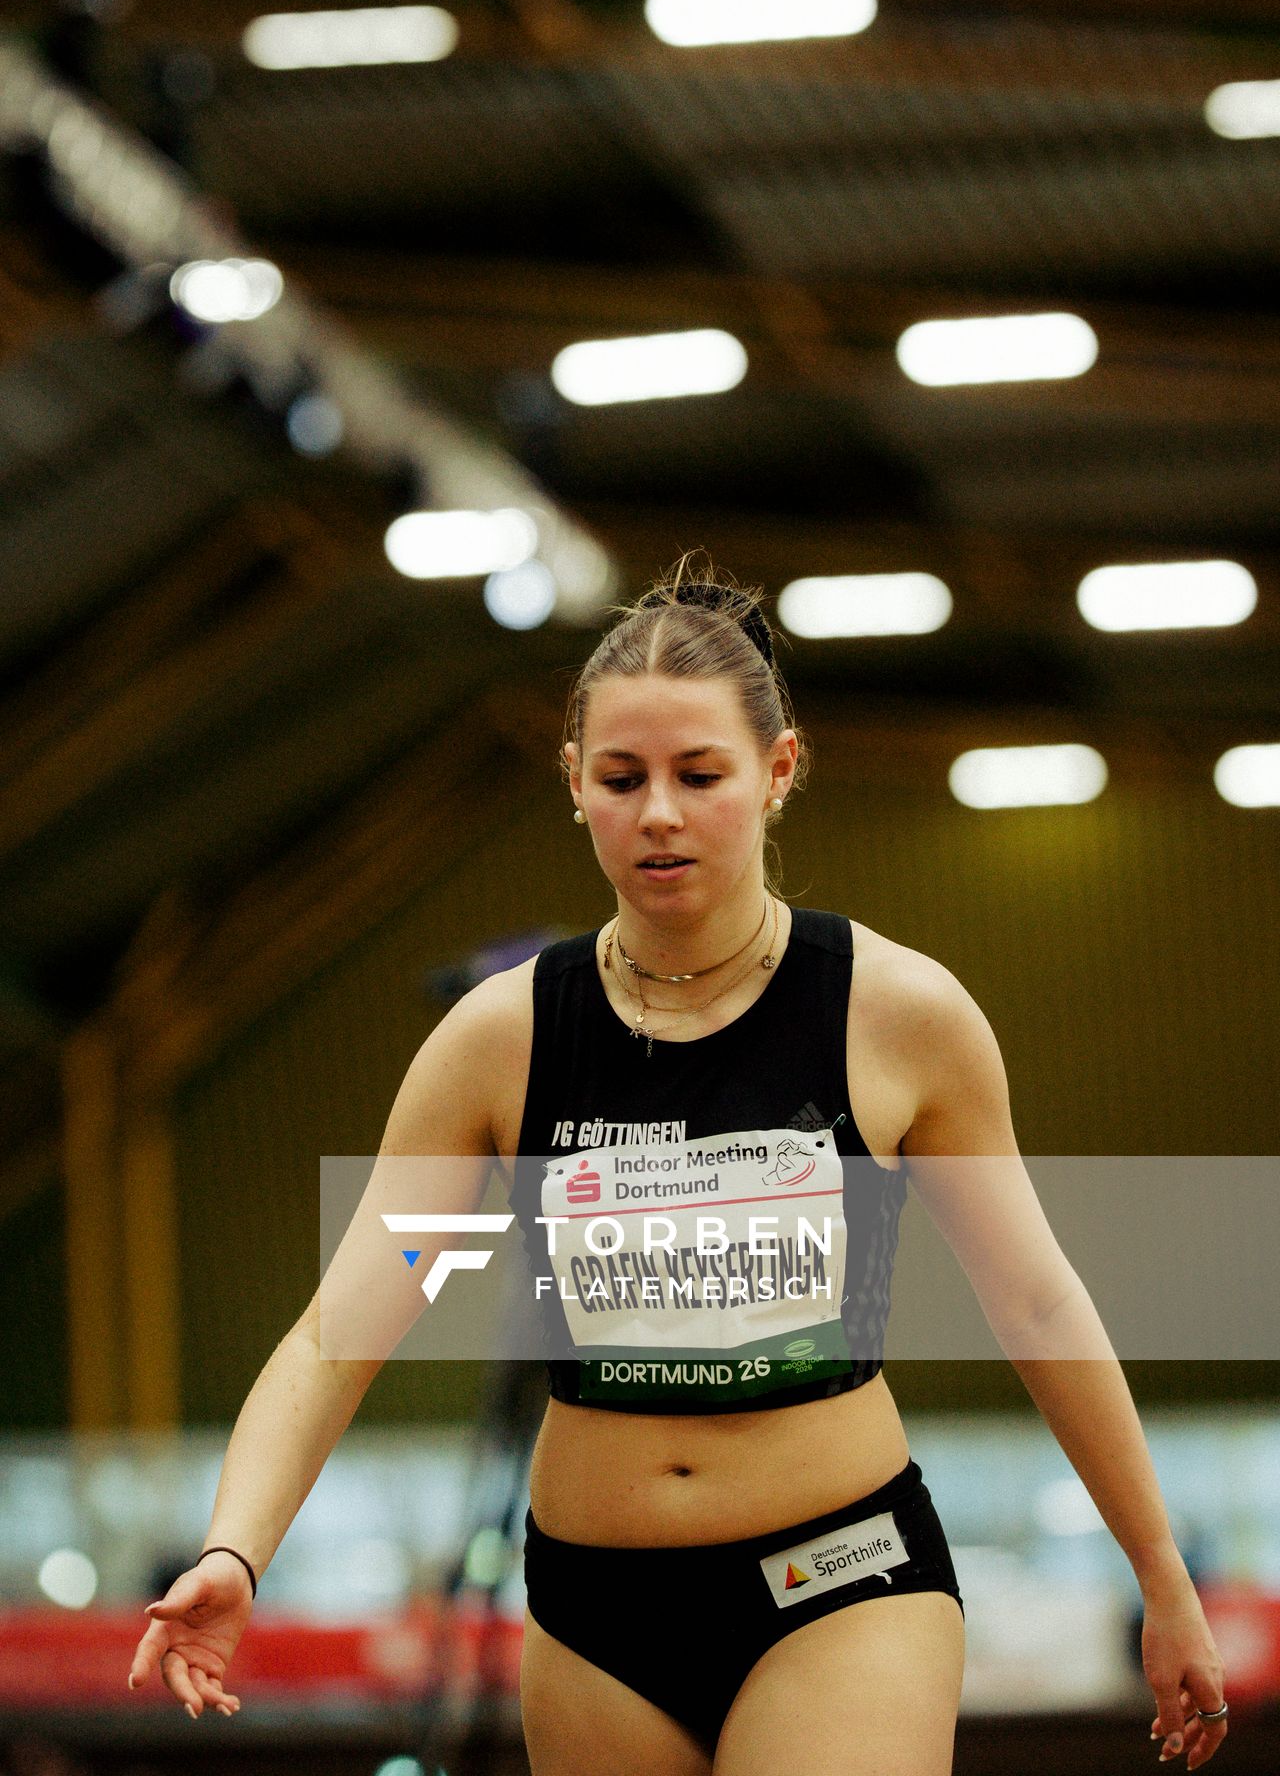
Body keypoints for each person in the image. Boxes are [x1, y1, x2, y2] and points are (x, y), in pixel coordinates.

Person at [128, 559, 1229, 1776]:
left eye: (698, 775)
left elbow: (1033, 1302)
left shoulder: (896, 1017)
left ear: (777, 773)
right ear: (574, 786)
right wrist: (235, 1551)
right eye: (620, 778)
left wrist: (1159, 1574)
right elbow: (351, 1323)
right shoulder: (502, 1046)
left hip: (838, 1579)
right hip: (595, 1618)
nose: (658, 812)